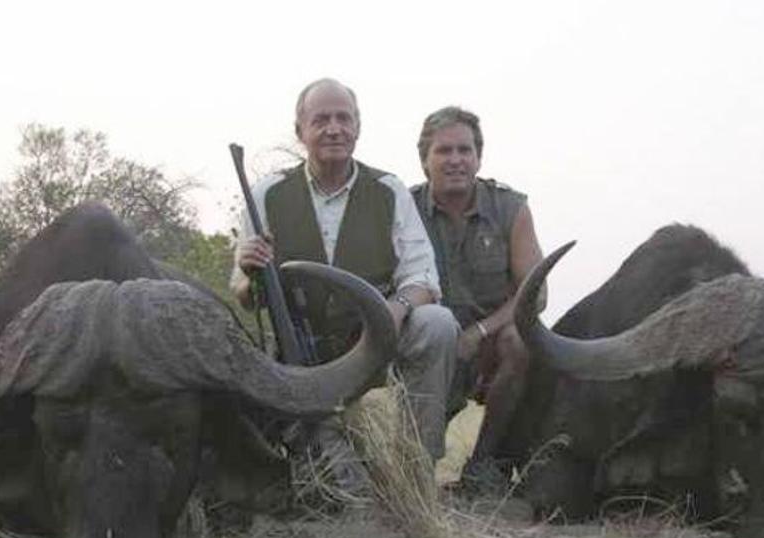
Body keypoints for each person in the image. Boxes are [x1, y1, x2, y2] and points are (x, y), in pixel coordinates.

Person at [230, 78, 458, 476]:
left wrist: (397, 310)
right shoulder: (267, 194)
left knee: (437, 323)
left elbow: (423, 276)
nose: (333, 128)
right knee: (339, 488)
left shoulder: (388, 190)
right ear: (300, 130)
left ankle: (418, 467)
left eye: (343, 118)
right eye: (320, 119)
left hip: (373, 341)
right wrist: (247, 272)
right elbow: (244, 295)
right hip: (304, 360)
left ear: (358, 127)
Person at [409, 106, 545, 486]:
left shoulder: (510, 207)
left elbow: (535, 293)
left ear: (478, 157)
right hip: (427, 344)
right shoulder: (401, 208)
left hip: (487, 346)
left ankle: (485, 464)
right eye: (444, 151)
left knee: (520, 342)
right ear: (424, 160)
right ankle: (412, 468)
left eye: (464, 150)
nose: (455, 160)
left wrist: (479, 333)